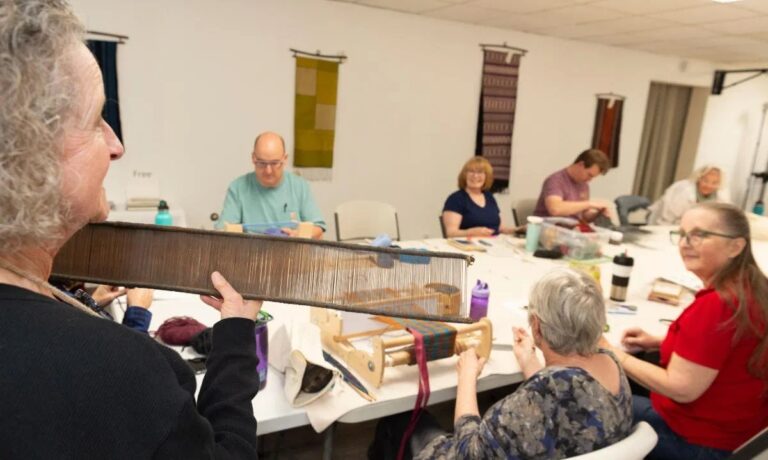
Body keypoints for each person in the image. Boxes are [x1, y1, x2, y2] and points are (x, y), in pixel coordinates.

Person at [0, 2, 262, 457]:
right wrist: (236, 335)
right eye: (97, 121)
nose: (117, 145)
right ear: (31, 155)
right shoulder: (124, 372)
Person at [370, 269, 632, 459]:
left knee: (399, 420)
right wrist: (530, 361)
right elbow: (565, 406)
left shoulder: (540, 396)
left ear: (537, 326)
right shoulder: (611, 364)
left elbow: (468, 450)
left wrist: (467, 378)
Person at [602, 203, 768, 459]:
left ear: (736, 246)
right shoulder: (752, 288)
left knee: (586, 402)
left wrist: (612, 352)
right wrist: (660, 342)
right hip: (737, 434)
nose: (685, 243)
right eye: (682, 234)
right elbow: (725, 348)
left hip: (696, 442)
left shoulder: (717, 306)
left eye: (699, 235)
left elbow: (682, 388)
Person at [217, 131, 326, 239]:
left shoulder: (299, 186)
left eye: (274, 163)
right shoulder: (238, 188)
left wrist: (297, 235)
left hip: (291, 252)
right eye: (262, 163)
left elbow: (318, 228)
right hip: (251, 253)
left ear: (285, 159)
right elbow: (223, 233)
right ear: (253, 158)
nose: (268, 171)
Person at [442, 157, 519, 237]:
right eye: (471, 171)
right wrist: (471, 232)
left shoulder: (489, 197)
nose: (475, 176)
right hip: (469, 246)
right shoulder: (455, 199)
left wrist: (518, 229)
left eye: (480, 172)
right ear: (464, 175)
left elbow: (500, 228)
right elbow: (451, 234)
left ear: (487, 177)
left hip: (494, 243)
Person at [533, 149, 612, 221]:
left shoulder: (584, 185)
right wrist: (589, 204)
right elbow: (555, 209)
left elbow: (584, 215)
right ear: (581, 165)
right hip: (548, 230)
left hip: (571, 231)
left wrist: (598, 214)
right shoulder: (555, 180)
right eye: (589, 175)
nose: (590, 180)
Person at [648, 165, 731, 225]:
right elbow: (666, 219)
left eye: (714, 183)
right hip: (664, 222)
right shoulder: (684, 192)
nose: (709, 185)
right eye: (705, 181)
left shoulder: (722, 195)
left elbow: (722, 218)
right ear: (699, 178)